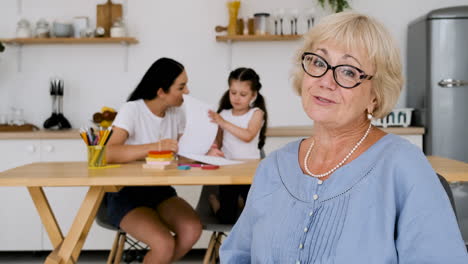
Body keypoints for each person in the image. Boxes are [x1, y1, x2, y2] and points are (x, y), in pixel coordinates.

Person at [220, 12, 468, 263]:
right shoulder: (272, 168)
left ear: (375, 95)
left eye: (349, 72)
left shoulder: (404, 167)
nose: (326, 81)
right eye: (318, 62)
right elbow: (238, 255)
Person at [105, 58, 202, 264]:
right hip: (125, 192)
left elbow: (182, 154)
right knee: (164, 244)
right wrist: (154, 147)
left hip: (160, 190)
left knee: (192, 229)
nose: (187, 92)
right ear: (161, 92)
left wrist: (207, 150)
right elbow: (108, 153)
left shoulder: (176, 113)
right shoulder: (132, 110)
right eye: (181, 87)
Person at [207, 67, 268, 224]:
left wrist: (223, 122)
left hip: (251, 171)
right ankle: (214, 199)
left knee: (256, 216)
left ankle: (240, 201)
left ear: (253, 95)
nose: (237, 98)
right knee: (226, 218)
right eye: (233, 92)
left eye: (243, 94)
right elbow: (218, 143)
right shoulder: (224, 114)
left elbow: (248, 136)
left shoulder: (256, 113)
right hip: (229, 169)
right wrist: (213, 149)